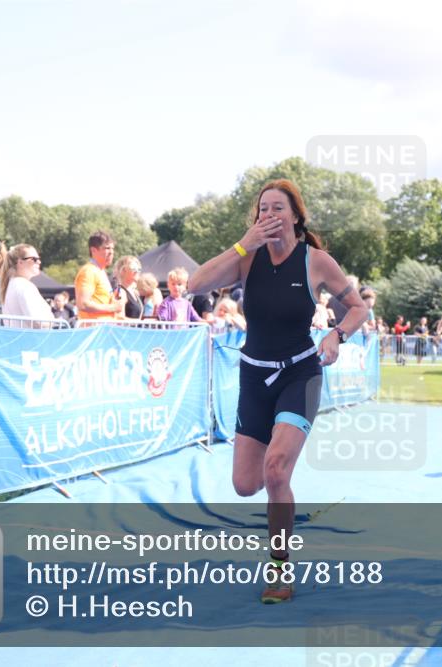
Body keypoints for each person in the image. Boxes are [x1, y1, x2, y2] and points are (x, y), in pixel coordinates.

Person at [188, 178, 368, 604]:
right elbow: (195, 283)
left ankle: (279, 565)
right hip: (254, 376)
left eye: (277, 209)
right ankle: (280, 514)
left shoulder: (316, 261)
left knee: (276, 470)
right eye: (262, 210)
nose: (268, 215)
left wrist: (336, 336)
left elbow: (359, 307)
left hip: (299, 375)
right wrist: (241, 245)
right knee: (245, 484)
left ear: (295, 216)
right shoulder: (246, 260)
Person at [0, 244, 56, 329]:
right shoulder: (25, 286)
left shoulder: (11, 284)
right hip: (32, 340)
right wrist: (51, 321)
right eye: (34, 259)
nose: (39, 262)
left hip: (18, 338)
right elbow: (37, 322)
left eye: (38, 259)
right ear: (20, 262)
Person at [75, 231, 125, 324]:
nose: (111, 252)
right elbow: (83, 304)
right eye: (107, 248)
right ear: (93, 250)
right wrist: (113, 308)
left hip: (104, 330)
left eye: (112, 248)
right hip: (94, 332)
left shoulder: (101, 271)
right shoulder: (88, 271)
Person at [113, 256, 144, 320]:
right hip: (125, 329)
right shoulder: (120, 292)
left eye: (139, 269)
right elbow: (119, 318)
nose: (137, 271)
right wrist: (140, 322)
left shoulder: (134, 292)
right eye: (134, 269)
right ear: (123, 271)